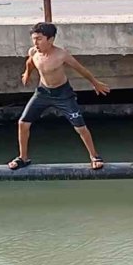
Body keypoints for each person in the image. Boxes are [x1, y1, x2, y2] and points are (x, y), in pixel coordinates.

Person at [8, 22, 110, 170]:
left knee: (80, 127)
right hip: (43, 92)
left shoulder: (61, 55)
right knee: (23, 123)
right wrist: (27, 74)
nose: (36, 43)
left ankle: (94, 156)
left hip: (63, 94)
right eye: (34, 39)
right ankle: (23, 158)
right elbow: (30, 62)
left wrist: (95, 83)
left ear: (50, 40)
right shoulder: (34, 52)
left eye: (39, 39)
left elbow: (80, 69)